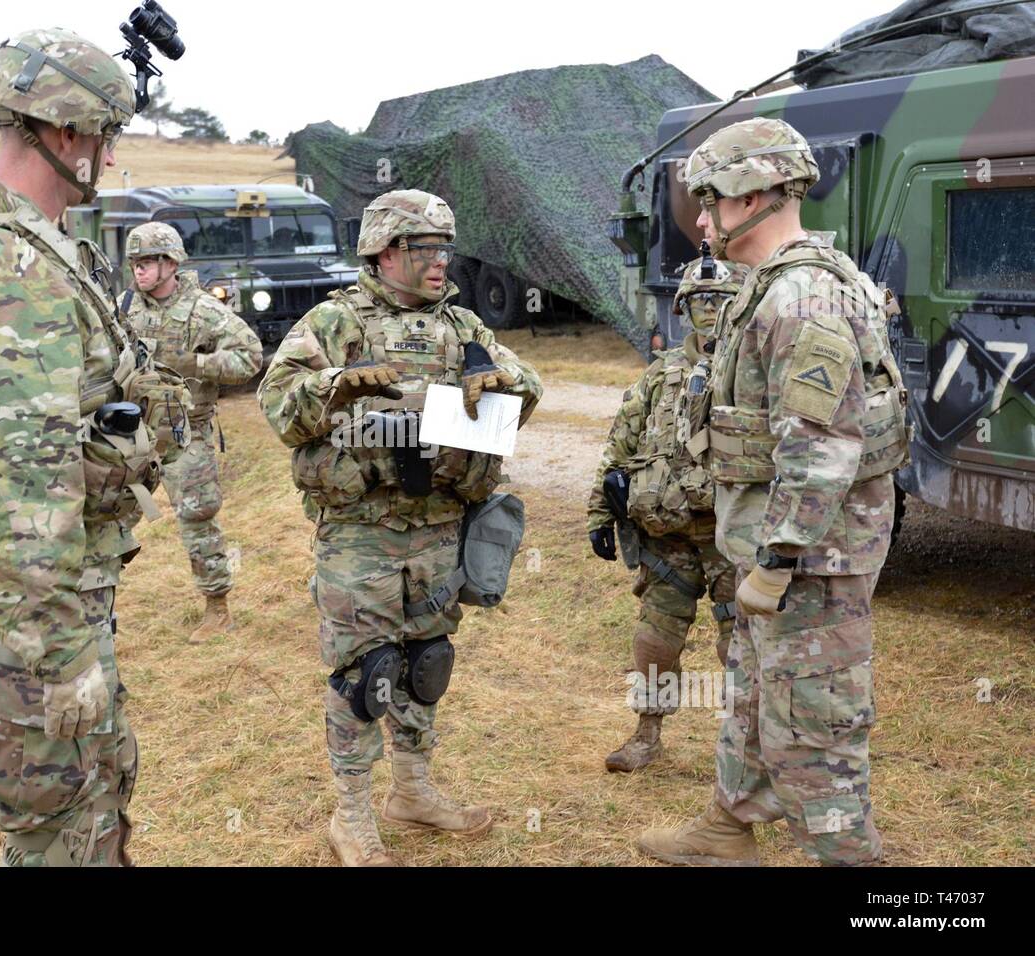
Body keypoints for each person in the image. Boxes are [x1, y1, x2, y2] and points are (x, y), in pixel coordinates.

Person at [0, 28, 188, 866]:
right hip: (36, 627)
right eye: (104, 136)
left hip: (55, 607)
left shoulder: (34, 246)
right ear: (66, 134)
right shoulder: (2, 265)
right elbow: (7, 495)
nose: (106, 155)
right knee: (61, 830)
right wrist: (64, 659)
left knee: (95, 808)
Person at [638, 118, 909, 866]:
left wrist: (778, 560)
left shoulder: (803, 299)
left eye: (710, 200)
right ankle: (729, 827)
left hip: (811, 562)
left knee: (813, 724)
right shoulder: (774, 285)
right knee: (755, 695)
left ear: (753, 194)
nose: (699, 219)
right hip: (780, 554)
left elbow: (820, 449)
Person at [258, 189, 543, 866]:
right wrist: (335, 386)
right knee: (365, 673)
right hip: (363, 530)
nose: (443, 261)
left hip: (442, 525)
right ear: (386, 251)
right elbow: (277, 404)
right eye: (428, 249)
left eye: (447, 248)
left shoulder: (465, 325)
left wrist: (498, 379)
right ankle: (352, 814)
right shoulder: (334, 321)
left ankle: (413, 790)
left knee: (424, 665)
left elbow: (527, 392)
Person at [587, 252, 747, 772]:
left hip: (731, 533)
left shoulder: (751, 370)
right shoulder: (659, 376)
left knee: (741, 641)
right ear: (684, 308)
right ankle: (646, 735)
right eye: (700, 300)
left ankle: (745, 743)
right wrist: (600, 513)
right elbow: (618, 447)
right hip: (667, 537)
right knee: (655, 638)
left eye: (721, 300)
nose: (709, 310)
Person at [121, 222, 263, 643]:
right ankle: (97, 601)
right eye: (134, 263)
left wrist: (198, 365)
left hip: (186, 436)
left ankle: (217, 606)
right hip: (133, 437)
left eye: (146, 262)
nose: (139, 271)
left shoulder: (205, 311)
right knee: (110, 515)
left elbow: (250, 356)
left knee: (198, 519)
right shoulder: (124, 305)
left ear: (170, 263)